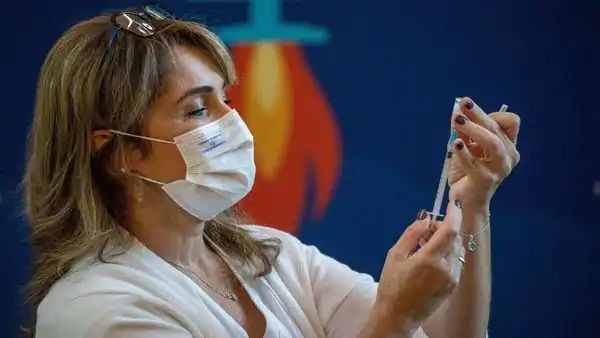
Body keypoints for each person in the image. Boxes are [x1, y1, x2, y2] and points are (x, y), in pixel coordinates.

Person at [24, 5, 521, 338]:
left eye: (227, 98)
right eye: (198, 110)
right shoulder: (97, 311)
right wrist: (394, 315)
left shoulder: (272, 257)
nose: (235, 122)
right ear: (118, 153)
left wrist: (470, 199)